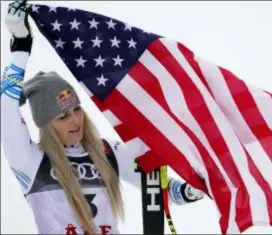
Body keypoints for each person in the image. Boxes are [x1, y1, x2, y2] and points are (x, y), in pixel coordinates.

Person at [0, 1, 205, 234]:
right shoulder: (31, 160)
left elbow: (162, 191)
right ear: (46, 124)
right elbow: (5, 109)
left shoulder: (108, 152)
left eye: (77, 110)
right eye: (63, 116)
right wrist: (20, 48)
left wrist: (192, 190)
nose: (75, 120)